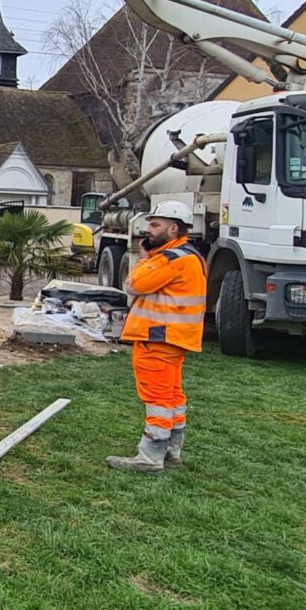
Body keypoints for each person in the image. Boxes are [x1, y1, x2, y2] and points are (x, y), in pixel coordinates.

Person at [106, 199, 207, 473]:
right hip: (176, 338)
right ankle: (172, 451)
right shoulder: (191, 256)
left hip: (158, 338)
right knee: (172, 396)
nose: (148, 229)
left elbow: (134, 285)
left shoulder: (169, 259)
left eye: (155, 224)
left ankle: (150, 457)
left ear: (173, 228)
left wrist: (144, 258)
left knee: (158, 398)